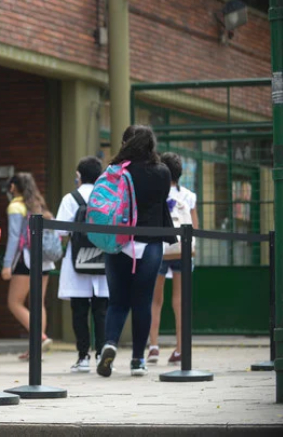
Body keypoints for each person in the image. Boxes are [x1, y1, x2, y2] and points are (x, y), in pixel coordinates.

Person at [97, 125, 177, 378]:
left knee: (117, 301)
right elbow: (161, 199)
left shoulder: (117, 171)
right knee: (143, 302)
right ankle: (138, 360)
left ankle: (109, 343)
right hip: (150, 242)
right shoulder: (162, 172)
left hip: (120, 241)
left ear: (125, 143)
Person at [55, 157, 109, 372]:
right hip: (104, 260)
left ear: (79, 175)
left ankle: (83, 356)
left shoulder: (71, 198)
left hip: (77, 260)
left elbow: (60, 230)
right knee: (101, 312)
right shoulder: (106, 197)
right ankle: (102, 354)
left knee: (79, 312)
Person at [148, 152, 199, 366]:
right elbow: (194, 227)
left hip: (161, 249)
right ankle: (181, 348)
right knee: (180, 300)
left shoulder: (155, 193)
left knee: (155, 300)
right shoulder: (188, 195)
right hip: (182, 250)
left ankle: (153, 347)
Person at [1, 172, 55, 360]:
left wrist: (7, 264)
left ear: (14, 187)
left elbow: (14, 237)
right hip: (45, 260)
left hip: (27, 260)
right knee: (38, 303)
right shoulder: (38, 205)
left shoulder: (16, 206)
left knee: (14, 302)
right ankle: (35, 349)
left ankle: (40, 337)